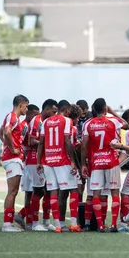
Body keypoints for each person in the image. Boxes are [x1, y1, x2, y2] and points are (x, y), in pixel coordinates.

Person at [37, 99, 81, 233]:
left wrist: (39, 161)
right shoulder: (67, 121)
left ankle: (57, 225)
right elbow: (67, 141)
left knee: (53, 192)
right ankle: (73, 224)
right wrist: (73, 161)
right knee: (74, 190)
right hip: (62, 161)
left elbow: (41, 143)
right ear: (67, 110)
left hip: (48, 161)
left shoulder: (46, 122)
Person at [80, 98, 123, 232]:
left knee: (96, 194)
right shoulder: (113, 121)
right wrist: (112, 111)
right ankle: (114, 224)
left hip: (96, 162)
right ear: (105, 108)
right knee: (114, 193)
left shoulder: (88, 123)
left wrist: (83, 164)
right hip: (111, 161)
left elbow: (84, 146)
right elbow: (126, 124)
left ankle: (99, 225)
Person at [0, 95, 29, 232]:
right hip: (12, 158)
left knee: (14, 190)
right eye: (26, 106)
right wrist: (12, 148)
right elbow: (6, 132)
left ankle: (9, 223)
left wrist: (7, 145)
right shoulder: (13, 117)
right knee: (12, 191)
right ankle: (7, 224)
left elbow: (0, 132)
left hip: (12, 157)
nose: (26, 109)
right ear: (21, 104)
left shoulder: (12, 118)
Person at [25, 101, 54, 231]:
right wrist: (48, 144)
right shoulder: (37, 120)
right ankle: (35, 223)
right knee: (38, 191)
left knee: (47, 190)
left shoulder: (45, 121)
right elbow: (31, 141)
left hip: (42, 159)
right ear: (46, 109)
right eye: (53, 111)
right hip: (34, 160)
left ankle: (46, 221)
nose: (54, 114)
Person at [11, 104, 39, 229]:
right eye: (35, 114)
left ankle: (27, 219)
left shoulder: (28, 124)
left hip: (26, 161)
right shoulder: (25, 125)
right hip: (27, 162)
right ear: (29, 114)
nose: (36, 117)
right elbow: (24, 143)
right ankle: (26, 217)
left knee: (30, 192)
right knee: (36, 191)